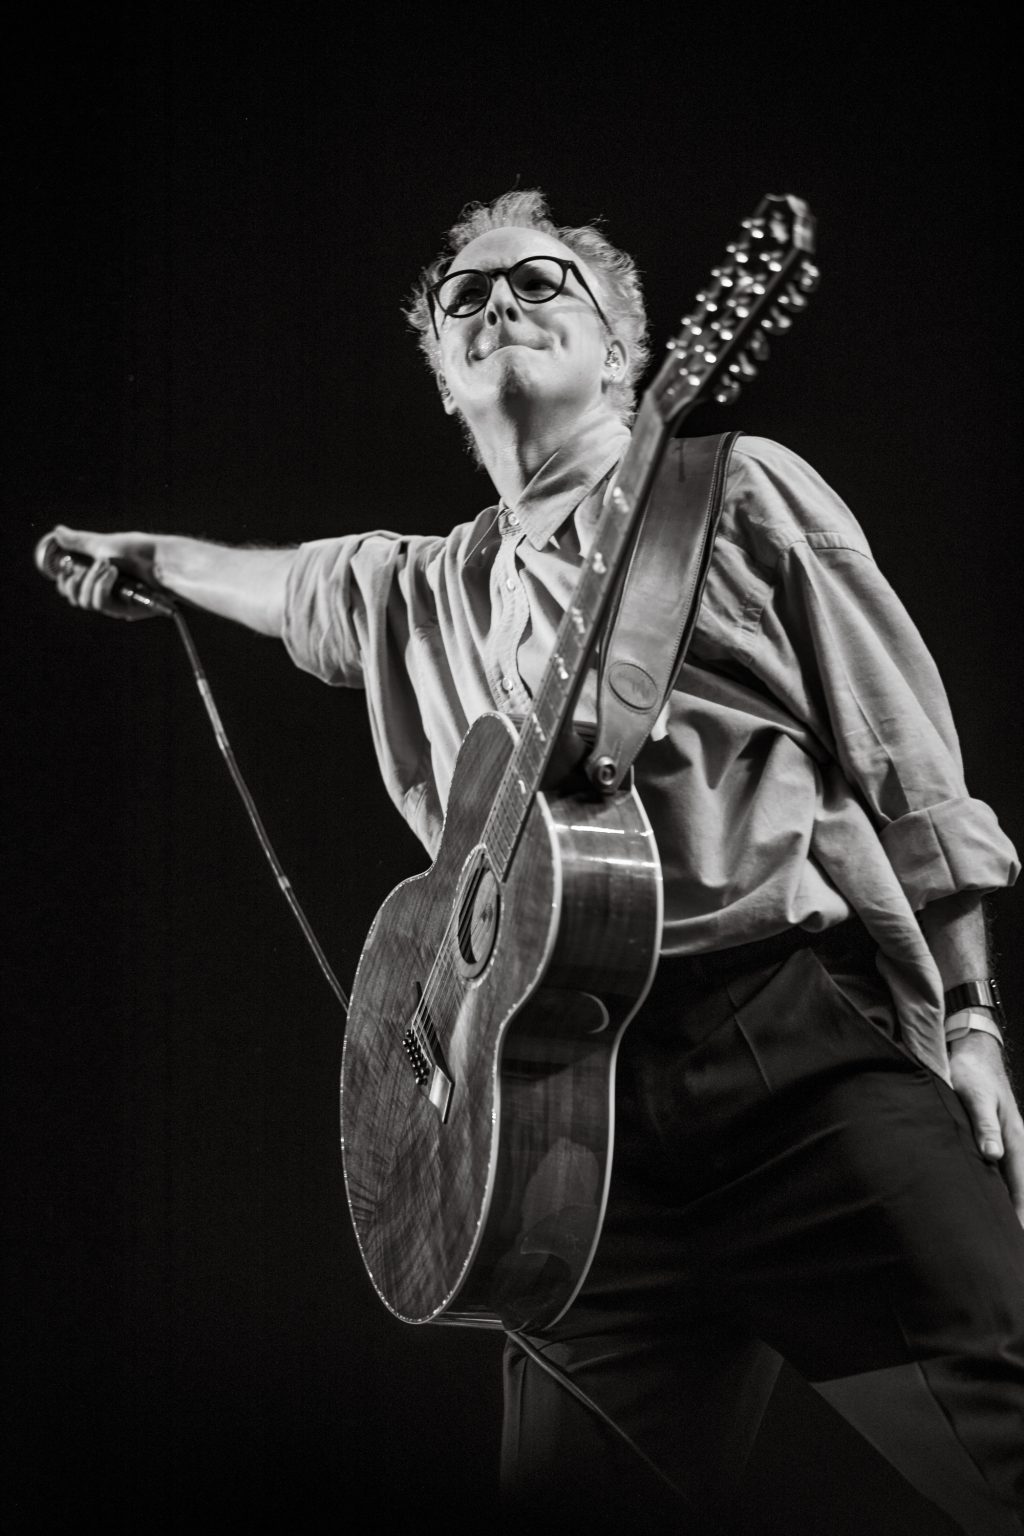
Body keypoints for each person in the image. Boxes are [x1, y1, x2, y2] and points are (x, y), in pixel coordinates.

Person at [47, 190, 1024, 1533]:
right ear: (449, 386)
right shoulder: (426, 588)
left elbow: (909, 763)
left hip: (788, 1058)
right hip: (561, 1141)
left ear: (626, 351)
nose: (499, 304)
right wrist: (148, 557)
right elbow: (293, 589)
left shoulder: (733, 488)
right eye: (466, 303)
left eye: (541, 284)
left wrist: (969, 1012)